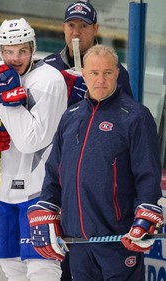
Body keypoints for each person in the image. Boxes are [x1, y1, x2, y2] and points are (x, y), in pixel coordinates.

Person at [27, 45, 163, 281]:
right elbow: (54, 172)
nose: (101, 79)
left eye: (108, 73)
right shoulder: (71, 116)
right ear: (83, 74)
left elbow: (147, 176)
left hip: (119, 242)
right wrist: (47, 208)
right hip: (76, 243)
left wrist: (145, 214)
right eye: (94, 73)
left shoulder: (136, 117)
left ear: (117, 74)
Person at [0, 18, 67, 280]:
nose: (15, 58)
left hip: (42, 189)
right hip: (3, 187)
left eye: (22, 50)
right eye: (9, 51)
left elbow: (30, 141)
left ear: (33, 49)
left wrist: (8, 104)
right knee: (10, 265)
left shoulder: (49, 80)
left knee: (42, 265)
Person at [44, 1, 133, 106]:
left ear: (95, 29)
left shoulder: (111, 70)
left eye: (83, 26)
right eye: (71, 25)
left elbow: (126, 113)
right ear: (64, 28)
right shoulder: (48, 66)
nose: (76, 32)